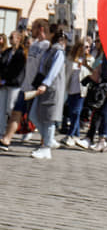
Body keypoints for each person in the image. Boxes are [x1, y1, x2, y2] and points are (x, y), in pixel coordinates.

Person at [0, 19, 50, 149]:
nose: (30, 30)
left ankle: (45, 143)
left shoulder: (47, 46)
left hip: (37, 87)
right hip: (25, 87)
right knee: (16, 112)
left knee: (36, 116)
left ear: (40, 29)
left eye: (32, 27)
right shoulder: (33, 45)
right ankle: (6, 139)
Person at [28, 28, 67, 160]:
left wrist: (45, 83)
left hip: (52, 88)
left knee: (49, 118)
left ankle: (46, 148)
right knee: (34, 115)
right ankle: (49, 140)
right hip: (43, 87)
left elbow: (55, 69)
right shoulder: (49, 49)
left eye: (48, 32)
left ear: (53, 34)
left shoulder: (58, 50)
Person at [61, 39, 93, 148]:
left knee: (76, 112)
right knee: (72, 112)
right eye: (85, 46)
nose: (87, 49)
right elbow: (67, 73)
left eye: (89, 47)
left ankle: (70, 135)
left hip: (82, 90)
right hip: (71, 88)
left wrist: (86, 65)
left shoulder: (90, 59)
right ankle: (76, 135)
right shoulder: (71, 59)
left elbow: (93, 72)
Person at [0, 30, 26, 150]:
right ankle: (1, 132)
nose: (10, 39)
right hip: (3, 84)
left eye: (12, 37)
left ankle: (21, 128)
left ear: (19, 39)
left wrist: (8, 79)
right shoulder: (7, 52)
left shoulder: (22, 53)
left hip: (15, 84)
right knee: (2, 108)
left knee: (11, 108)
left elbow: (18, 70)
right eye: (9, 37)